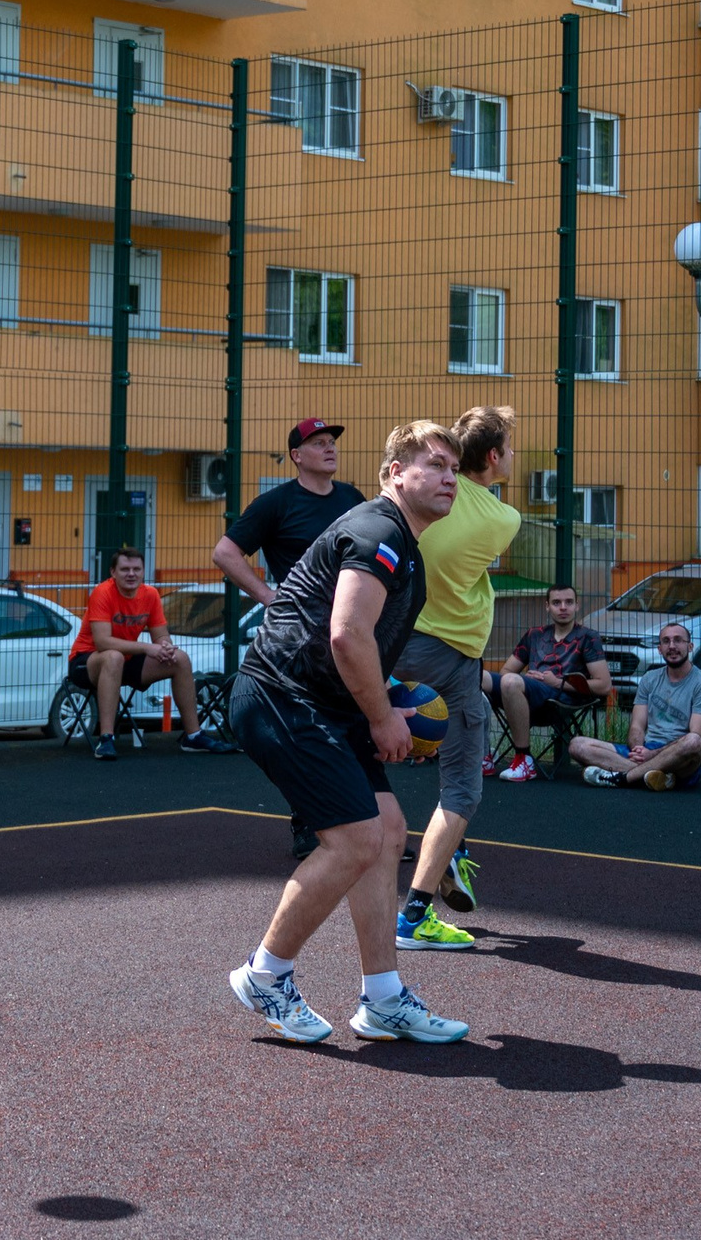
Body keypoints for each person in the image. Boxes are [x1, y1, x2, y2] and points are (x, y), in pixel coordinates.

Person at [225, 421, 470, 1047]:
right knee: (356, 838)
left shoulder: (401, 541)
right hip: (283, 695)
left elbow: (359, 647)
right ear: (394, 473)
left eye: (455, 469)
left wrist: (383, 707)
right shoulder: (378, 530)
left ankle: (383, 999)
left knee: (387, 832)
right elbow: (347, 634)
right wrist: (384, 717)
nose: (449, 477)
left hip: (327, 705)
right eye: (435, 464)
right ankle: (265, 975)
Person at [393, 406, 523, 952]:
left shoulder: (421, 505)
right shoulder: (502, 520)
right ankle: (415, 916)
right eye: (510, 448)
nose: (514, 456)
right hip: (453, 658)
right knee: (462, 790)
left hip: (395, 648)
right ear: (492, 458)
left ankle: (455, 854)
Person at [71, 546, 235, 761]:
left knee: (180, 658)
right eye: (125, 569)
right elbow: (103, 642)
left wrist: (165, 647)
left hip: (125, 661)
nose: (131, 574)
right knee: (113, 656)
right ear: (113, 572)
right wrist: (149, 648)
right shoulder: (103, 592)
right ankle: (106, 739)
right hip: (87, 662)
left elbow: (161, 636)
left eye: (136, 569)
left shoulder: (150, 594)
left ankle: (193, 736)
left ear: (143, 571)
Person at [212, 418, 366, 607]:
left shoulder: (352, 497)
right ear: (296, 455)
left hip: (351, 613)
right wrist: (267, 595)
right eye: (319, 443)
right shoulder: (275, 503)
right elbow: (224, 553)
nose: (330, 449)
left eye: (332, 443)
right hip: (302, 620)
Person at [488, 581, 615, 782]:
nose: (563, 607)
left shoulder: (588, 638)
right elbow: (506, 671)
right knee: (477, 678)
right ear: (547, 606)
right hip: (527, 693)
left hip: (561, 699)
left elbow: (604, 686)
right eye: (556, 602)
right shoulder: (535, 635)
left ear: (577, 605)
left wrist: (557, 683)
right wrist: (525, 679)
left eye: (568, 602)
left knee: (511, 682)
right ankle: (482, 753)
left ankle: (523, 760)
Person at [573, 621, 701, 790]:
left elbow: (697, 737)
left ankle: (622, 778)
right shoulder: (650, 678)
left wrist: (653, 755)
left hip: (679, 758)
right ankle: (656, 777)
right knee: (577, 745)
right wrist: (638, 749)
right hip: (647, 748)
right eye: (666, 641)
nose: (672, 646)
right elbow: (637, 726)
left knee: (693, 742)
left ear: (690, 646)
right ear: (659, 649)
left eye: (678, 640)